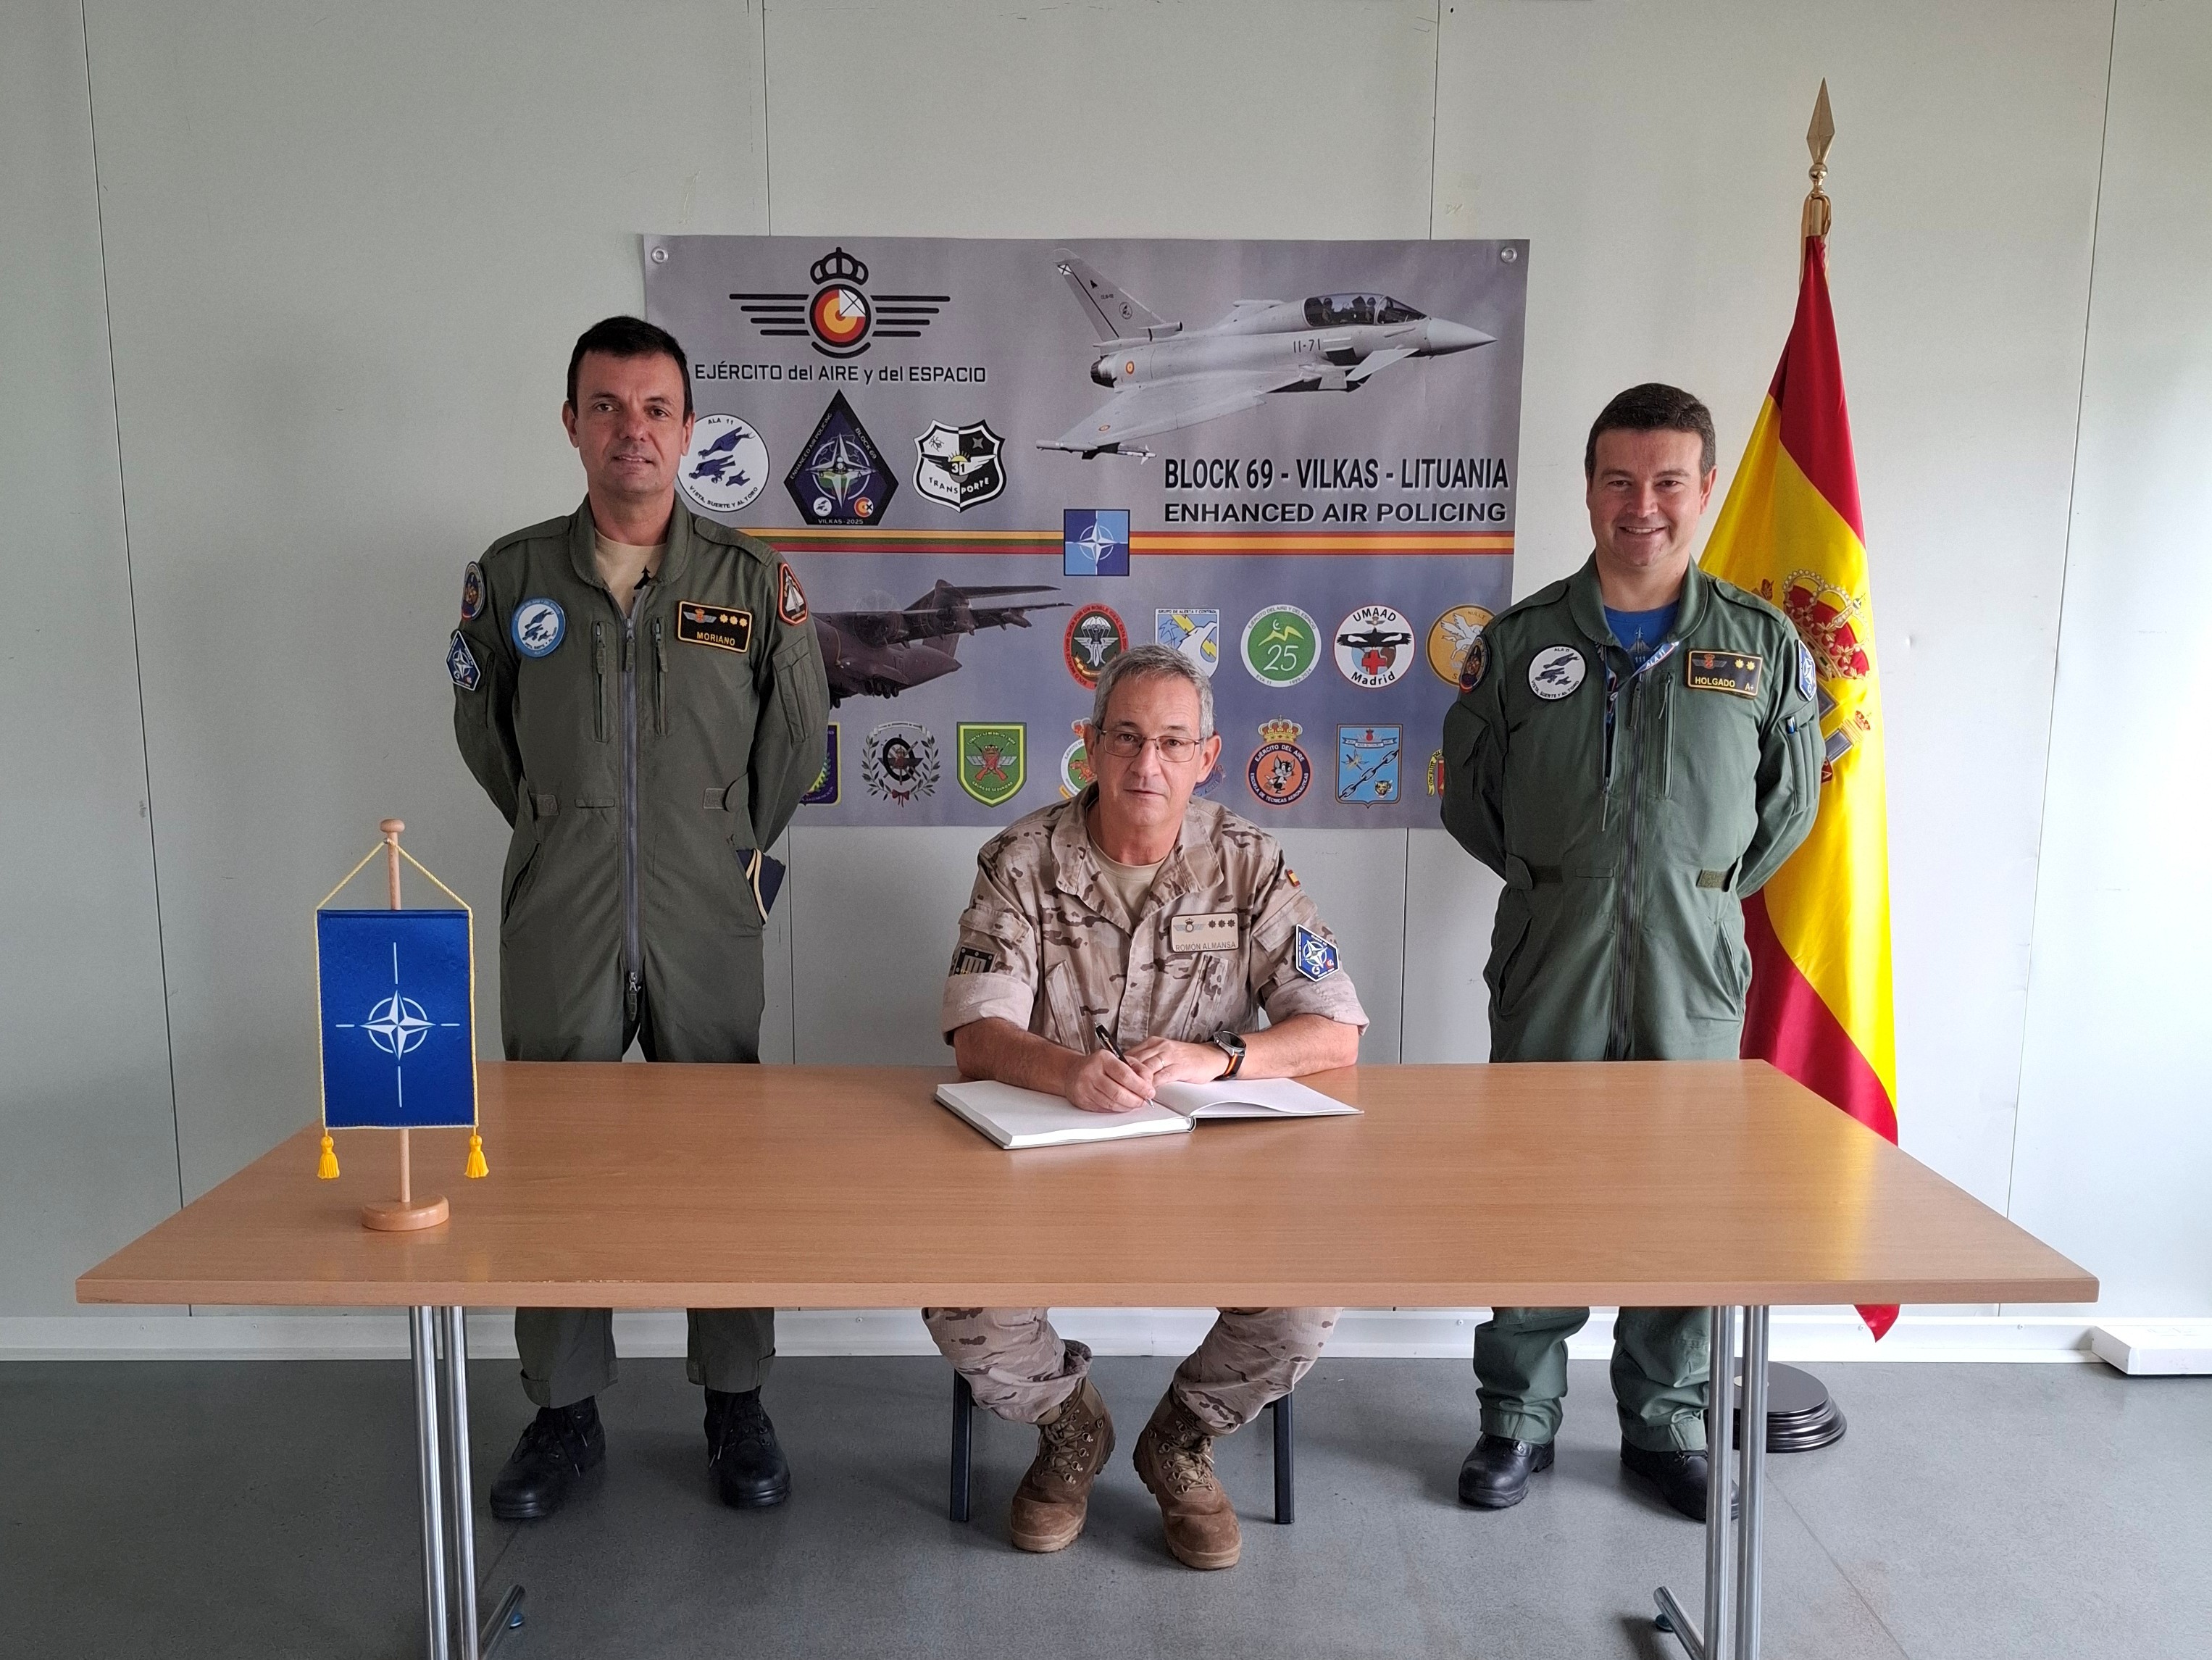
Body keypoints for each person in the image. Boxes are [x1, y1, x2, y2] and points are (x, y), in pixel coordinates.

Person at [448, 316, 830, 1520]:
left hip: (702, 907)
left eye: (655, 407)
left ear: (688, 427)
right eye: (607, 406)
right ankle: (562, 1410)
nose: (632, 429)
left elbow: (795, 740)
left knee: (724, 1155)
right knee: (553, 1155)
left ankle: (736, 1398)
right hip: (559, 911)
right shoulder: (514, 576)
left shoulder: (748, 580)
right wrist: (561, 825)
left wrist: (717, 841)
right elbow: (485, 733)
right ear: (572, 423)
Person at [1439, 383, 1821, 1521]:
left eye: (1666, 481)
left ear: (1704, 489)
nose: (1640, 504)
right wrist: (1574, 880)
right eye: (1618, 479)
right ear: (1589, 488)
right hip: (1551, 947)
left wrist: (1685, 893)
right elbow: (1473, 799)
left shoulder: (1758, 645)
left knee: (1684, 1191)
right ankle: (1517, 1415)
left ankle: (1666, 1421)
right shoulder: (1519, 644)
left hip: (1691, 961)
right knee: (1532, 1183)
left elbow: (1786, 809)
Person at [930, 644, 1366, 1570]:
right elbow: (976, 1033)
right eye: (1125, 737)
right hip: (1046, 1162)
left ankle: (1180, 1437)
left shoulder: (1247, 861)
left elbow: (1334, 1031)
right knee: (952, 1290)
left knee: (1305, 1299)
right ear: (1088, 745)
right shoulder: (1020, 859)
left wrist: (1223, 1055)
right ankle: (1068, 1425)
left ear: (1206, 756)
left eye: (1172, 741)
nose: (1146, 763)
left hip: (1212, 1171)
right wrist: (1066, 1071)